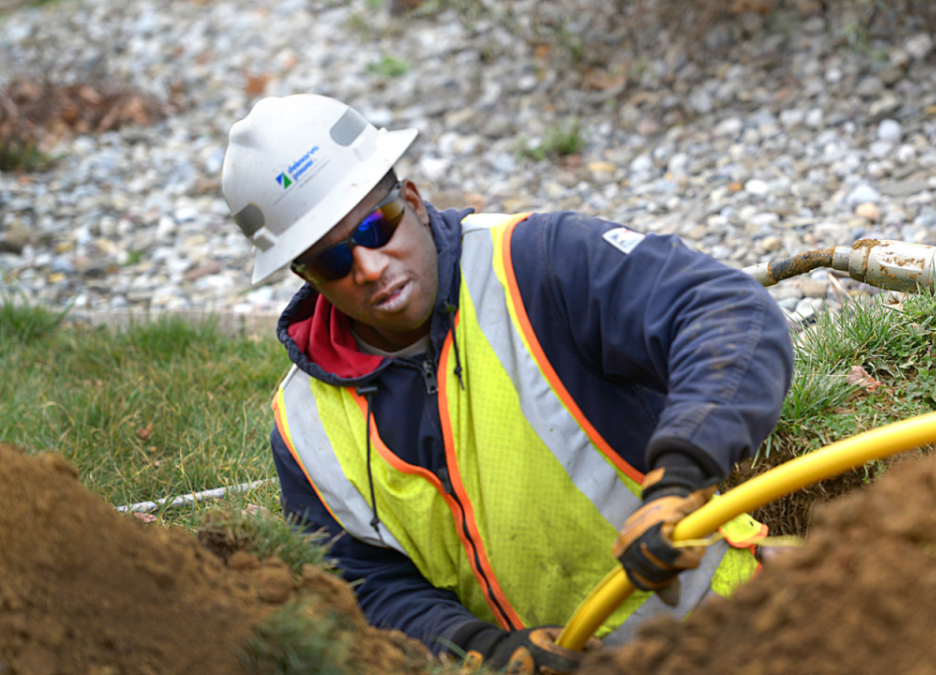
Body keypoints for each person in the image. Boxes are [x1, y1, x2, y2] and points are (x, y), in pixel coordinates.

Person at [221, 94, 793, 674]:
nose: (369, 267)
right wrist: (479, 646)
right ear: (305, 276)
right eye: (332, 261)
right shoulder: (305, 428)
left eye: (376, 227)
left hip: (742, 631)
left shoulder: (536, 265)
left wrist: (681, 480)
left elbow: (728, 315)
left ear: (413, 202)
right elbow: (364, 585)